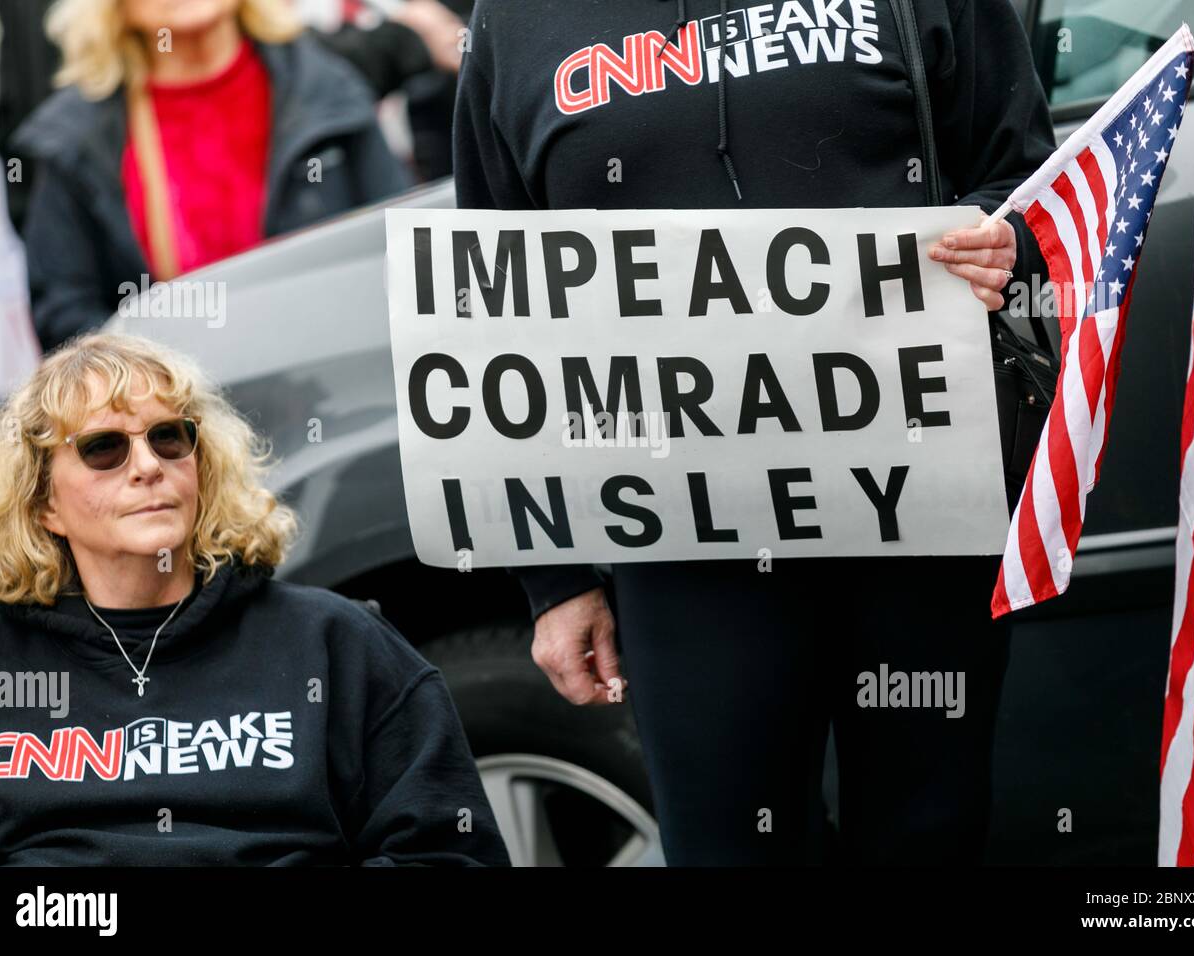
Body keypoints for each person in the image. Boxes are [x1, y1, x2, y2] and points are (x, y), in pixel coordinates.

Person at [453, 0, 1057, 864]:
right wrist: (553, 578)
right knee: (727, 848)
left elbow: (1028, 174)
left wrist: (1004, 237)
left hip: (919, 509)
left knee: (929, 835)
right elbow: (493, 304)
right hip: (680, 537)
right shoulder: (517, 22)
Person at [0, 332, 510, 866]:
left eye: (169, 438)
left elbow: (452, 850)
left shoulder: (335, 643)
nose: (149, 466)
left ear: (200, 466)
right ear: (44, 504)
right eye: (103, 448)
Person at [13, 0, 411, 353]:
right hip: (175, 421)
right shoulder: (74, 139)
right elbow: (66, 316)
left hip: (329, 395)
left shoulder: (325, 89)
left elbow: (399, 255)